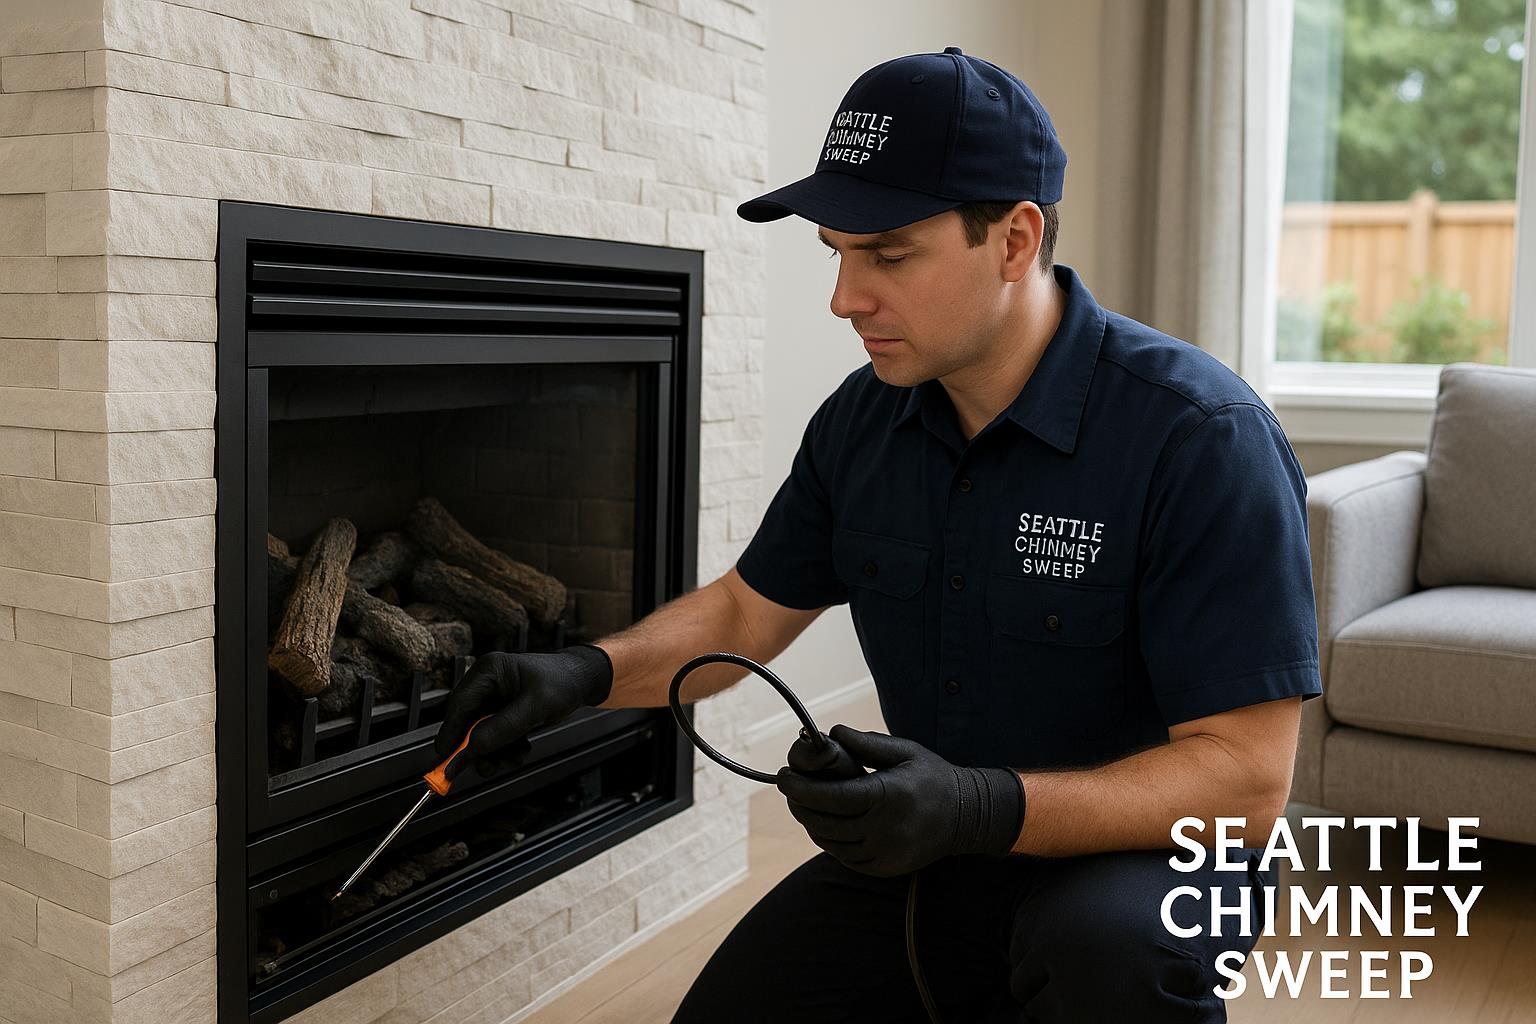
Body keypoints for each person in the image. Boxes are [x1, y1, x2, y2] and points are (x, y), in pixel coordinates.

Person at [435, 45, 1322, 1023]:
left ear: (1016, 240)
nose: (845, 297)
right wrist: (582, 676)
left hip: (1143, 862)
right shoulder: (864, 423)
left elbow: (1248, 780)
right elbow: (743, 611)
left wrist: (978, 805)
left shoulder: (1199, 437)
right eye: (838, 253)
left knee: (1101, 953)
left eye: (888, 254)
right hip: (935, 844)